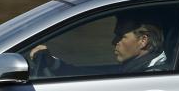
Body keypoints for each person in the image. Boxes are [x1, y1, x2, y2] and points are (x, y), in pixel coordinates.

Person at [29, 19, 168, 76]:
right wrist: (54, 64)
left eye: (121, 36)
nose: (114, 42)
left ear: (143, 40)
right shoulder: (134, 68)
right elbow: (89, 74)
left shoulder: (155, 74)